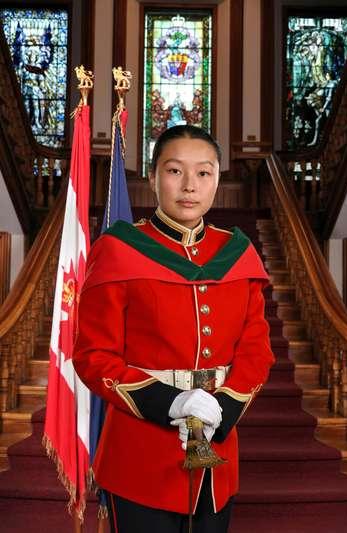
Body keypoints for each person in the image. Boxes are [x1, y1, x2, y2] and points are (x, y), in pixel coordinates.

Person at [73, 125, 275, 533]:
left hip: (217, 452)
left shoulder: (237, 253)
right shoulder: (119, 249)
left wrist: (225, 411)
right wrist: (171, 402)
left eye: (204, 173)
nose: (189, 186)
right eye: (174, 170)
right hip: (139, 455)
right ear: (153, 177)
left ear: (218, 179)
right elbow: (94, 357)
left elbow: (256, 351)